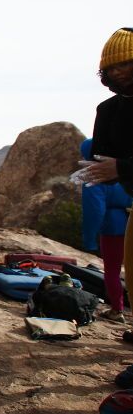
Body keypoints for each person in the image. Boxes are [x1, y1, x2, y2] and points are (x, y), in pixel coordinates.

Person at [85, 28, 133, 320]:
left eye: (125, 63)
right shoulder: (109, 110)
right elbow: (103, 155)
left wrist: (122, 167)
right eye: (111, 67)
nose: (118, 72)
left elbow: (118, 165)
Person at [80, 138, 132, 323]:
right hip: (129, 220)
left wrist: (89, 240)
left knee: (112, 271)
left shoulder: (95, 175)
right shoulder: (123, 169)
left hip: (113, 228)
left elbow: (94, 209)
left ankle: (117, 310)